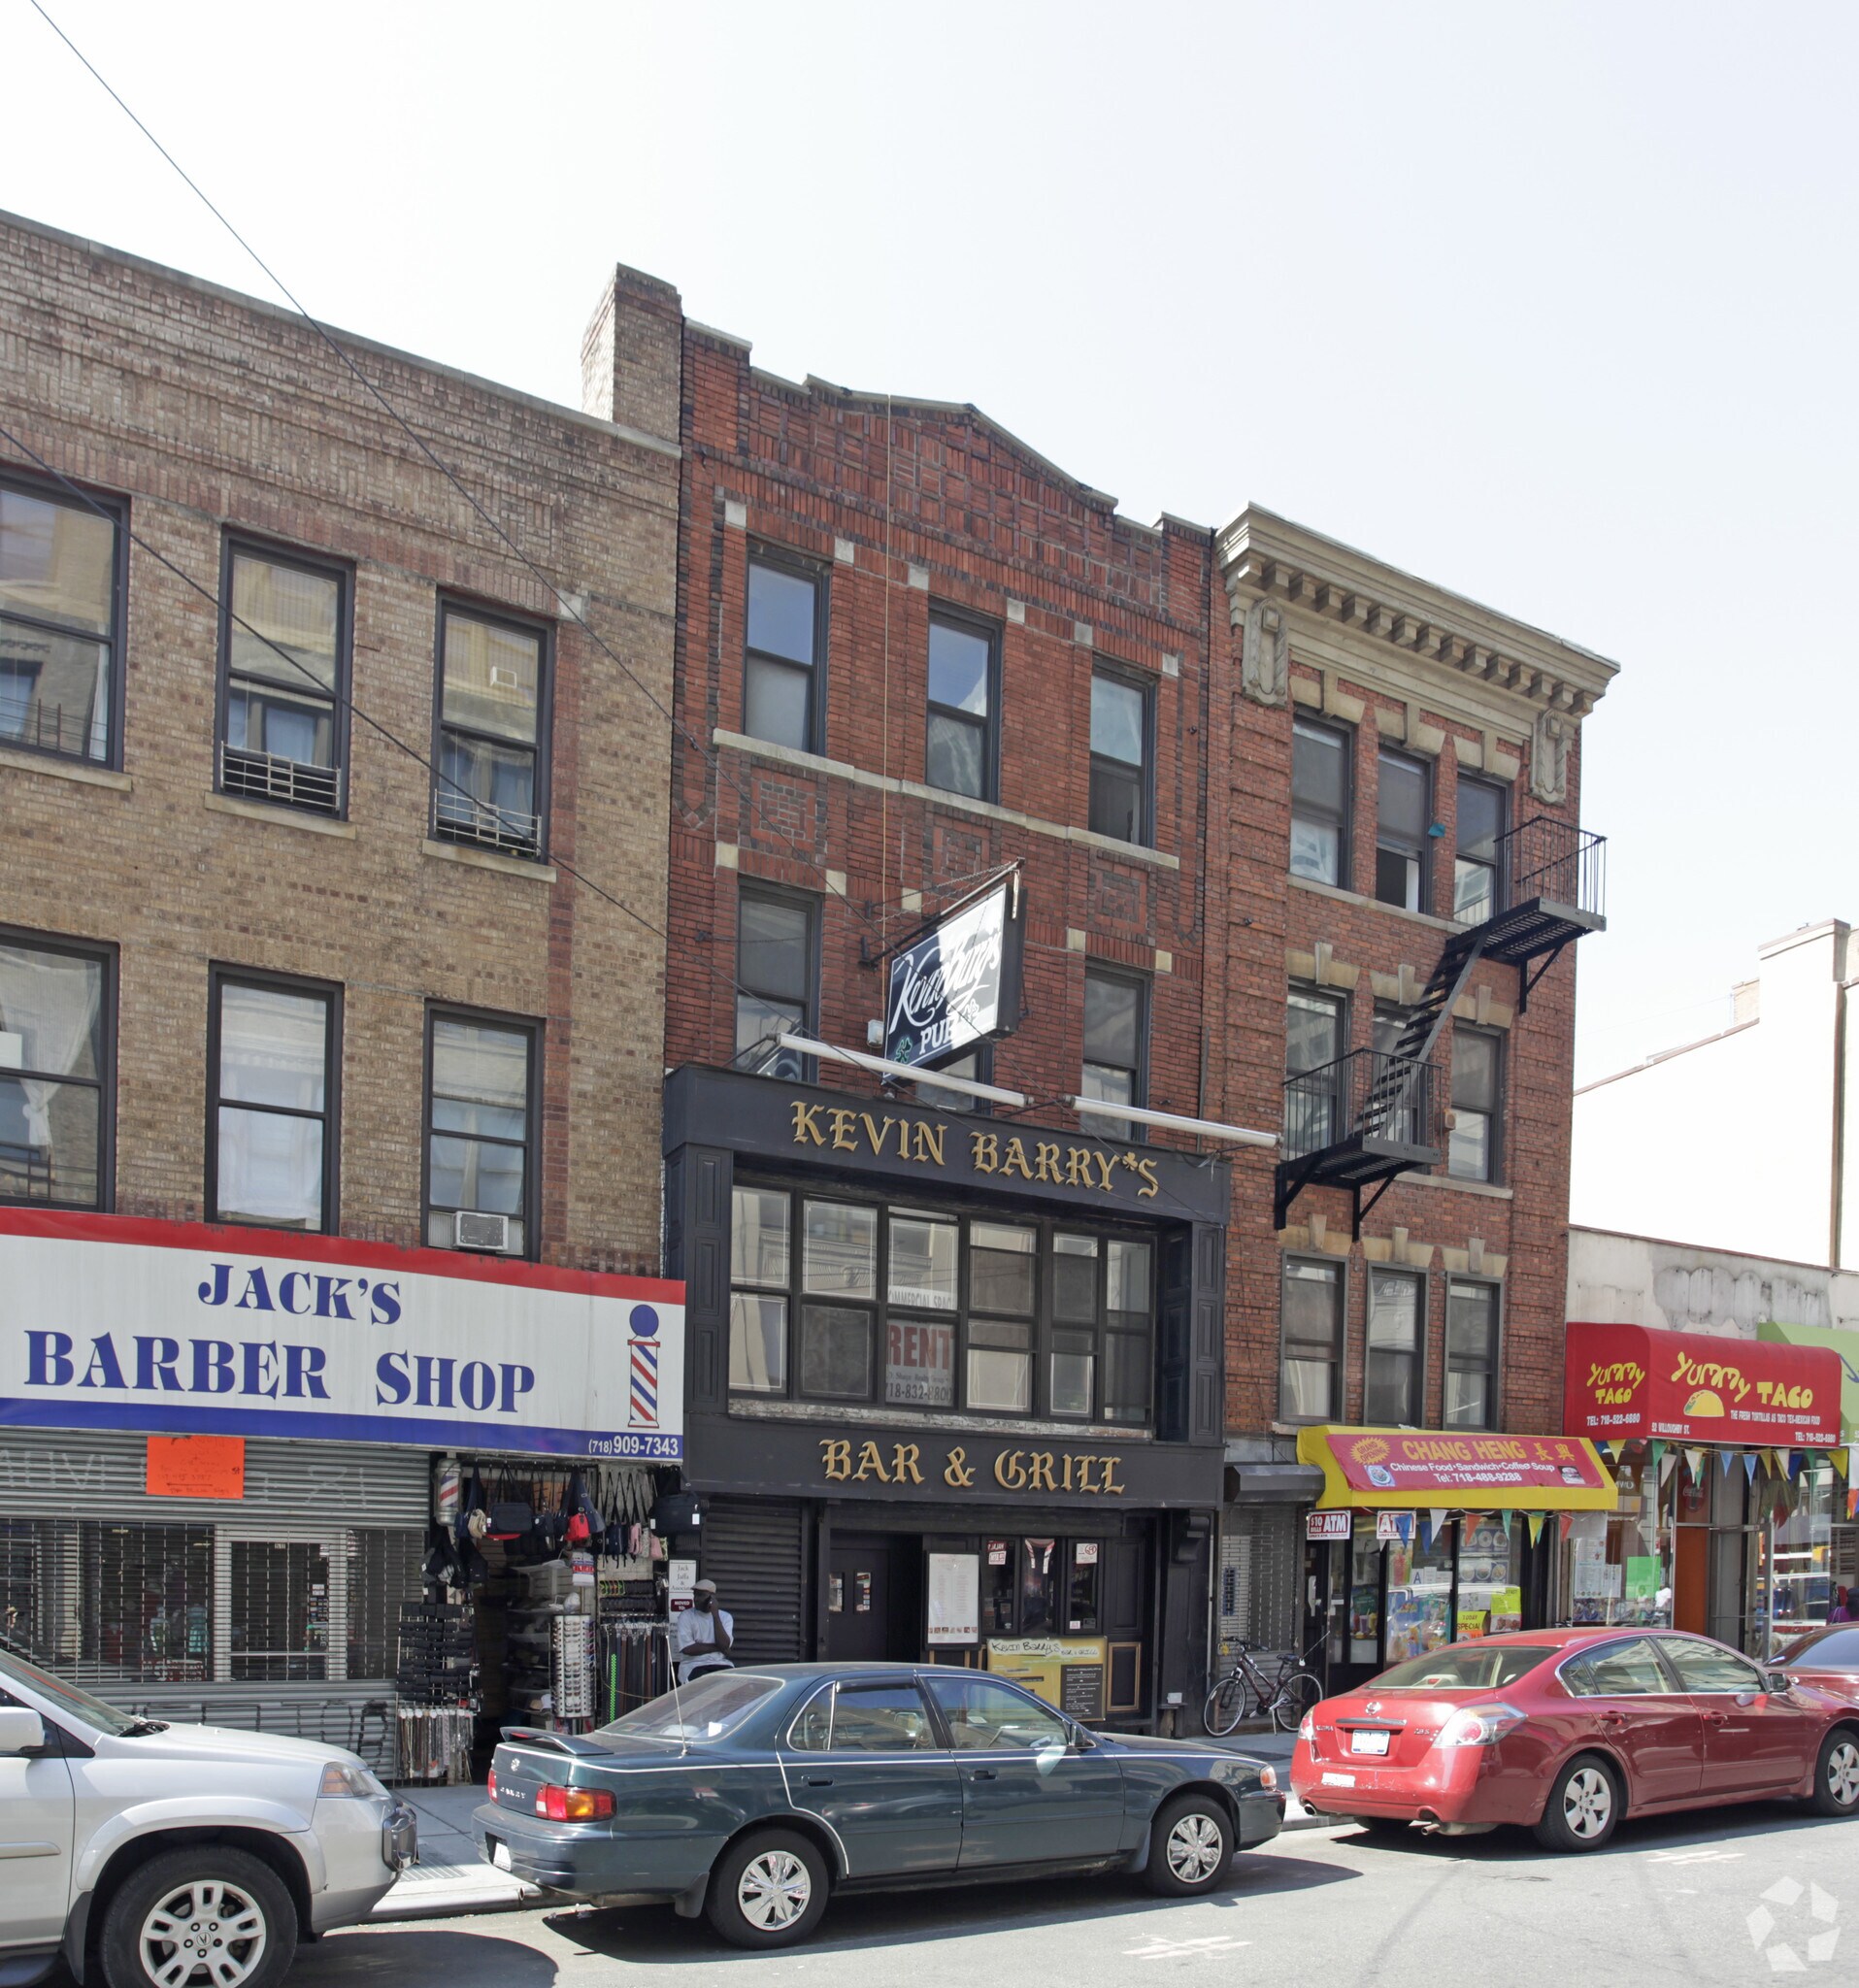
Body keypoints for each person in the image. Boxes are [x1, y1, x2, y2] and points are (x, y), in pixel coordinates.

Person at [676, 1577, 735, 1684]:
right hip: (694, 1665)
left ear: (712, 1598)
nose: (696, 1599)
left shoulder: (725, 1617)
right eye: (695, 1595)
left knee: (733, 1683)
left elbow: (724, 1644)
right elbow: (687, 1649)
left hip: (720, 1663)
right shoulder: (686, 1616)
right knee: (704, 1683)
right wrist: (719, 1648)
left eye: (701, 1595)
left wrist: (715, 1615)